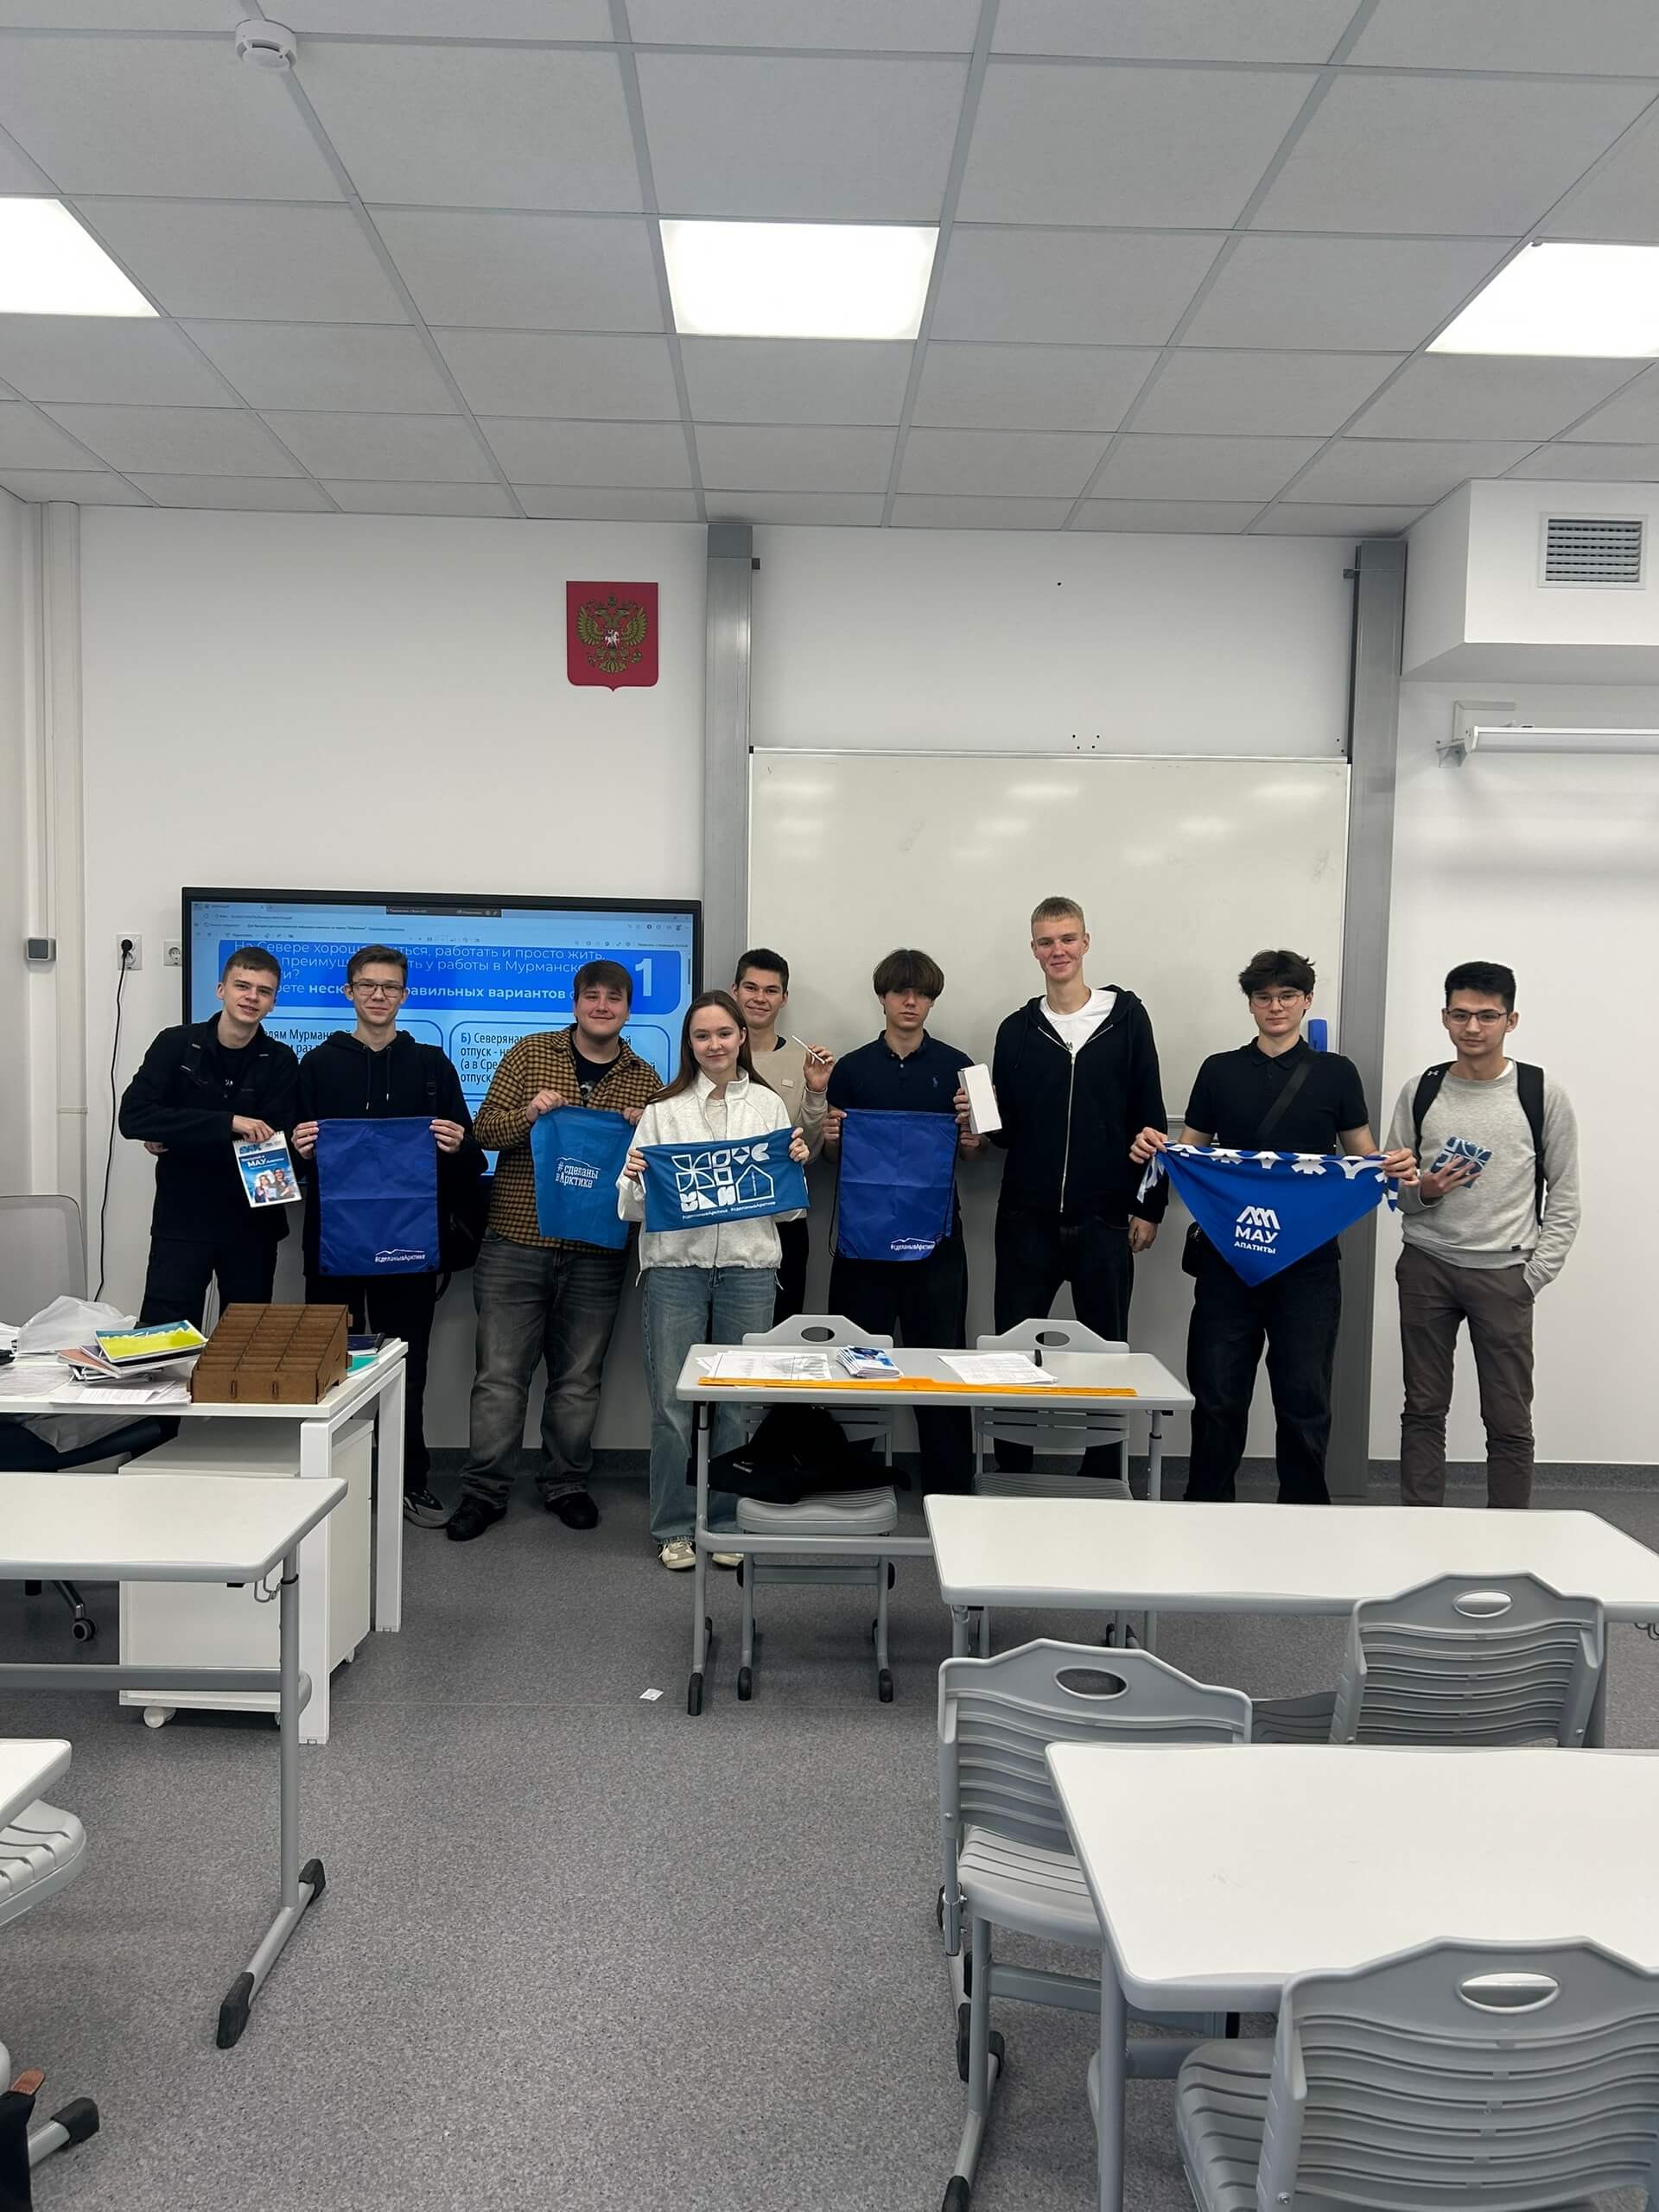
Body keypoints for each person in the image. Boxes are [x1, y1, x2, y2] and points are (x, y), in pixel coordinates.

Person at [1131, 950, 1416, 1505]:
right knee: (1218, 1396)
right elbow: (1191, 1151)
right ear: (1250, 1005)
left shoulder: (1336, 1074)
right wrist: (1157, 1151)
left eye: (1287, 996)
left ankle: (1304, 1517)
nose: (1276, 1007)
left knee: (1304, 1399)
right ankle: (1206, 1512)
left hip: (1309, 1264)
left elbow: (1363, 1155)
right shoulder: (1219, 1070)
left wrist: (1392, 1166)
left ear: (1307, 1001)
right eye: (1263, 997)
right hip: (1228, 1258)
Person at [448, 960, 662, 1543]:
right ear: (575, 1002)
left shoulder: (645, 1079)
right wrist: (530, 1113)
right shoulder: (528, 1054)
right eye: (592, 996)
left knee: (578, 1380)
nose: (602, 1006)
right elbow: (484, 1132)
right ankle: (483, 1491)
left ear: (627, 1009)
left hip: (597, 1251)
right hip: (516, 1242)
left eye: (613, 998)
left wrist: (644, 1131)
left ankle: (565, 1483)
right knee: (499, 1377)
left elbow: (656, 1171)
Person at [290, 944, 484, 1529]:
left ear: (404, 995)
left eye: (391, 987)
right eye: (368, 986)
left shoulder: (431, 1065)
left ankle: (408, 1480)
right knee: (329, 1367)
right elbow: (285, 1162)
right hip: (333, 1247)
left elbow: (471, 1159)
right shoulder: (315, 1066)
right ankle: (329, 1486)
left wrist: (458, 1143)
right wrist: (299, 1149)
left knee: (407, 1367)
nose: (379, 995)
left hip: (410, 1246)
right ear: (348, 992)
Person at [619, 990, 810, 1570]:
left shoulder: (769, 1107)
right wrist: (634, 1179)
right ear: (690, 1044)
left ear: (741, 1037)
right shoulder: (663, 1110)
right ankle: (674, 1526)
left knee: (736, 1404)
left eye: (724, 1033)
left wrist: (794, 1168)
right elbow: (629, 1207)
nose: (715, 1045)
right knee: (672, 1404)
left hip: (749, 1271)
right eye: (702, 1036)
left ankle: (726, 1520)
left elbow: (789, 1211)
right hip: (674, 1269)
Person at [979, 896, 1167, 1478]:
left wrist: (1150, 1207)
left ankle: (1104, 1473)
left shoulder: (1127, 1019)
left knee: (1106, 1354)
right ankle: (1012, 1472)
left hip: (1104, 1218)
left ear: (1086, 942)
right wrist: (978, 1114)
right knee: (1013, 1355)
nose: (1057, 950)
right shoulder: (1015, 1030)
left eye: (1067, 939)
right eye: (1046, 941)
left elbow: (1151, 1119)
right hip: (1026, 1220)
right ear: (1033, 949)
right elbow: (1006, 1134)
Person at [1386, 960, 1580, 1511]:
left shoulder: (1540, 1092)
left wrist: (1532, 1276)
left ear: (1510, 1020)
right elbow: (1394, 1188)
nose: (1472, 1027)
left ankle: (1509, 1531)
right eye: (1461, 1014)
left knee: (1508, 1416)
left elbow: (1565, 1194)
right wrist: (1425, 1191)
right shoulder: (1421, 1090)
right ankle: (1421, 1524)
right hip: (1426, 1266)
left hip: (1504, 1274)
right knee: (1423, 1408)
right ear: (1445, 1017)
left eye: (1487, 1016)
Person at [823, 949, 983, 1494]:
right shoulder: (851, 1069)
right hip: (862, 1243)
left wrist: (972, 1139)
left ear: (932, 1000)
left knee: (940, 1361)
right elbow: (833, 1158)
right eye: (900, 992)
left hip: (935, 1241)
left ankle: (951, 1488)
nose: (910, 1002)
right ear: (883, 997)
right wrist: (831, 1139)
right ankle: (848, 1485)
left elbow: (976, 1152)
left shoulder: (961, 1069)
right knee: (856, 1362)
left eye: (921, 993)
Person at [118, 945, 299, 1327]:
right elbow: (134, 1118)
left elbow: (274, 1137)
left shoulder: (281, 1059)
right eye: (242, 986)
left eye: (264, 991)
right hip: (182, 1220)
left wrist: (176, 1130)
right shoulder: (175, 1043)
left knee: (244, 1341)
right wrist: (230, 1122)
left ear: (273, 1003)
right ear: (221, 990)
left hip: (252, 1224)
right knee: (165, 1338)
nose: (252, 997)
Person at [732, 946, 834, 1320]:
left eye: (771, 990)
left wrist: (817, 1091)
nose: (759, 998)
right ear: (734, 991)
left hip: (782, 1217)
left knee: (779, 1330)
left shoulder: (803, 1061)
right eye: (751, 987)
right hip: (721, 1219)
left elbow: (811, 1150)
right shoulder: (712, 1054)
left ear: (784, 998)